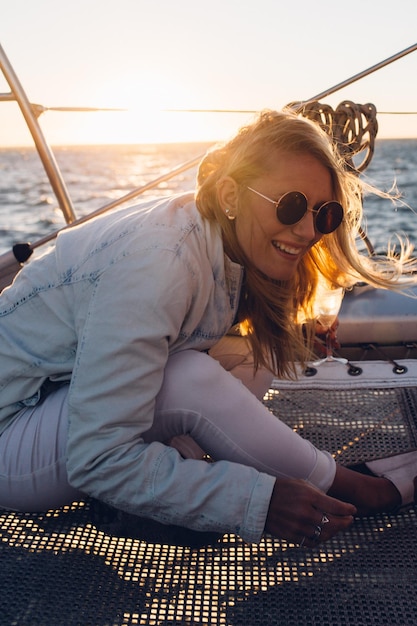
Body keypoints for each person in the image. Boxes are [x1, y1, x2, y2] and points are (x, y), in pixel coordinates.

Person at [1, 109, 416, 549]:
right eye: (290, 204)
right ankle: (354, 489)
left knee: (255, 356)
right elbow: (96, 457)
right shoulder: (161, 260)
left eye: (325, 213)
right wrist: (257, 502)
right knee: (187, 380)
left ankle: (155, 492)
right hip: (11, 433)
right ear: (231, 195)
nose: (309, 230)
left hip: (55, 398)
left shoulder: (213, 237)